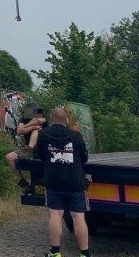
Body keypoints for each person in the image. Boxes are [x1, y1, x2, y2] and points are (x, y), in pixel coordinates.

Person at [36, 106, 90, 257]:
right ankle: (84, 254)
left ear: (52, 119)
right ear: (66, 119)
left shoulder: (43, 134)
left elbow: (40, 155)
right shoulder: (75, 135)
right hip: (75, 181)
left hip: (53, 181)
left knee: (55, 214)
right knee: (78, 216)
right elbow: (84, 158)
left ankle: (55, 252)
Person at [6, 103, 46, 192]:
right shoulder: (24, 119)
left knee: (36, 130)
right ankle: (23, 183)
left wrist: (29, 126)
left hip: (43, 148)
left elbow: (38, 121)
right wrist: (31, 126)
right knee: (10, 157)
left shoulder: (44, 118)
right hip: (27, 148)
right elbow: (19, 131)